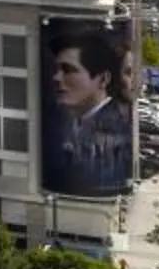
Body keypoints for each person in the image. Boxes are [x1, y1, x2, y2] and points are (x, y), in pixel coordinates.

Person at [41, 20, 135, 197]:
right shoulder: (69, 122)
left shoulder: (113, 127)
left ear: (102, 79)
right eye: (57, 69)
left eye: (68, 70)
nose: (56, 77)